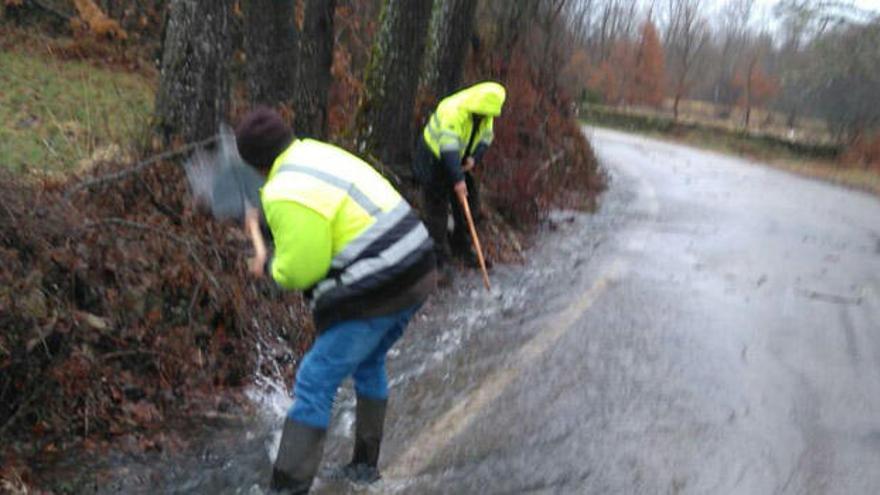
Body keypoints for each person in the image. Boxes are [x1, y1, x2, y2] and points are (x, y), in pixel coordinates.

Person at [235, 107, 437, 493]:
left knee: (314, 378)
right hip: (418, 267)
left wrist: (268, 265)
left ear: (255, 163)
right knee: (370, 360)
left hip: (382, 283)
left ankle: (287, 487)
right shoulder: (315, 153)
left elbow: (302, 270)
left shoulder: (282, 190)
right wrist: (265, 225)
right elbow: (322, 215)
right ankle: (364, 467)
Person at [413, 81, 506, 273]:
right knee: (436, 209)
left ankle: (461, 247)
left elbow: (487, 137)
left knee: (469, 201)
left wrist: (474, 158)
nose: (487, 118)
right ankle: (438, 258)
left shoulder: (486, 113)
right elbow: (448, 149)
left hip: (459, 157)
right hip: (433, 157)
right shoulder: (453, 110)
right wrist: (457, 180)